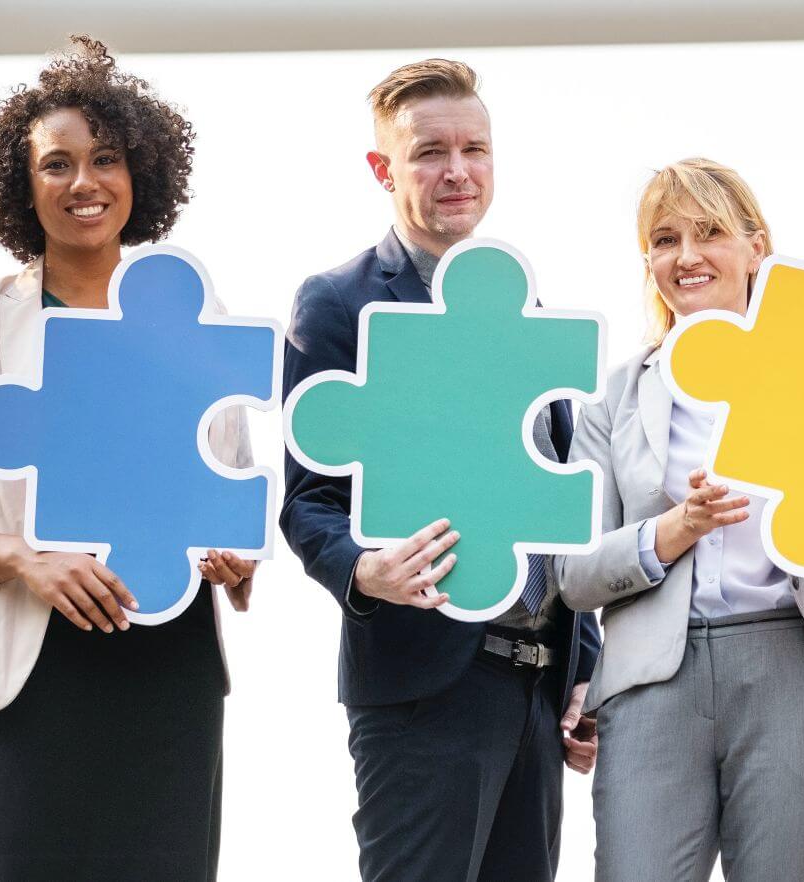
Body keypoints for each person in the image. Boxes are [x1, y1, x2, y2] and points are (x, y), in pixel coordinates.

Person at [0, 37, 257, 881]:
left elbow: (227, 493)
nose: (84, 183)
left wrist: (234, 561)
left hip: (167, 662)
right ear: (22, 187)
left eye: (107, 159)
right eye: (57, 164)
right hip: (25, 671)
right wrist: (24, 559)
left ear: (141, 175)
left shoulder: (199, 318)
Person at [278, 58, 601, 882]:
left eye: (475, 148)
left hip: (537, 692)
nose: (457, 170)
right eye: (429, 152)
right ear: (383, 170)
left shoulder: (530, 313)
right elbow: (307, 500)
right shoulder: (341, 302)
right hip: (424, 685)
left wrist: (584, 664)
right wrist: (365, 571)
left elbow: (560, 504)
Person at [555, 158, 804, 882]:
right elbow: (573, 574)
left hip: (795, 663)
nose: (686, 257)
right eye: (664, 240)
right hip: (656, 680)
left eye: (710, 233)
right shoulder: (616, 399)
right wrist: (676, 527)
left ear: (757, 247)